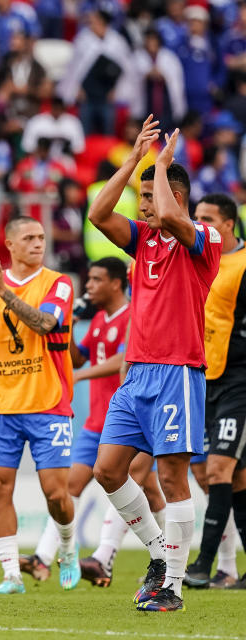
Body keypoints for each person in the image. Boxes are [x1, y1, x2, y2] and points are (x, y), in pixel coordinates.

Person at [87, 116, 222, 612]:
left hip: (178, 372)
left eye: (150, 197)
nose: (143, 207)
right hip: (137, 372)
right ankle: (159, 558)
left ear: (176, 195)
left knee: (171, 478)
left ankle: (174, 589)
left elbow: (171, 217)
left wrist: (162, 167)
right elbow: (99, 213)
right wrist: (133, 163)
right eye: (142, 199)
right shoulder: (141, 241)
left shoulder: (204, 239)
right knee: (108, 469)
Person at [0, 216, 79, 595]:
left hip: (47, 401)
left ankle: (67, 546)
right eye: (29, 237)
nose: (38, 243)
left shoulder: (58, 283)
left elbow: (45, 324)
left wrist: (5, 294)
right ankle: (11, 574)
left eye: (42, 237)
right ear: (9, 245)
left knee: (56, 494)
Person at [20, 257, 129, 582]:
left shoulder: (133, 315)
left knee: (141, 488)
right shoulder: (95, 319)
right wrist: (64, 324)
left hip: (128, 421)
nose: (89, 286)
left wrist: (79, 376)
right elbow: (79, 353)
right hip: (97, 421)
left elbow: (125, 357)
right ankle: (42, 558)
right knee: (71, 486)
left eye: (96, 279)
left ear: (116, 283)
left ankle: (119, 556)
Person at [184, 193, 246, 589]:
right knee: (237, 479)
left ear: (228, 224)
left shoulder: (243, 264)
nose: (198, 223)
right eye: (195, 217)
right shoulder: (196, 257)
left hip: (240, 379)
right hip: (204, 376)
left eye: (206, 217)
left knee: (217, 468)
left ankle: (203, 566)